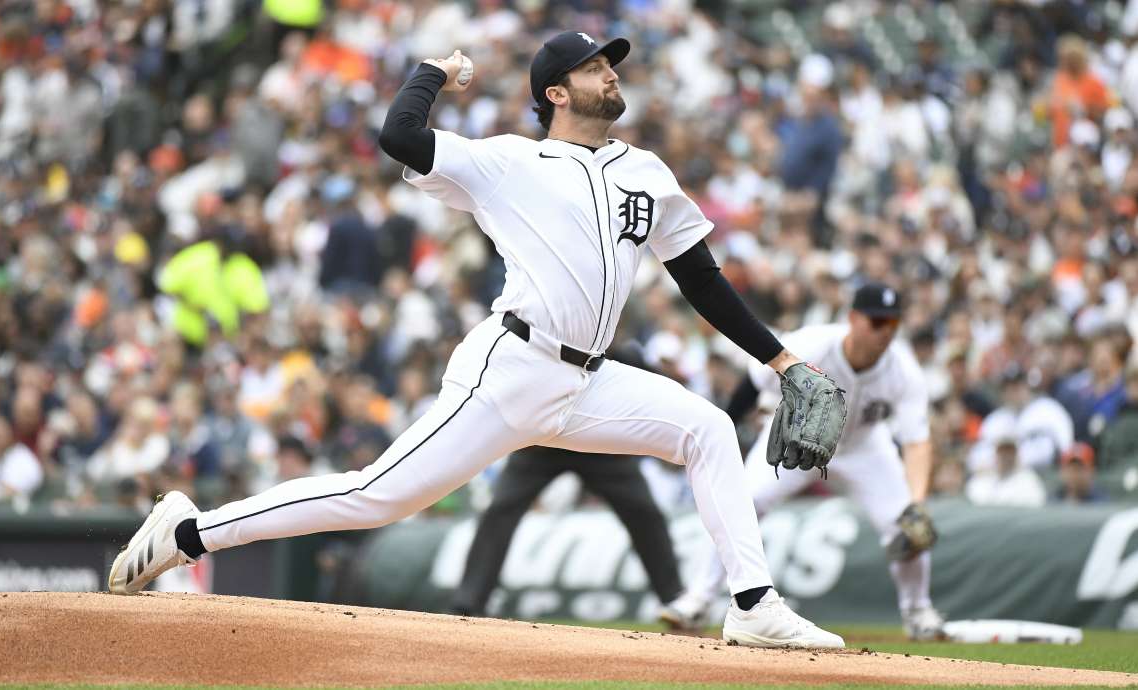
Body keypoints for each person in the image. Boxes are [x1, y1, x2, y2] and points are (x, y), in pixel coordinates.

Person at [108, 32, 847, 649]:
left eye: (609, 63)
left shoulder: (645, 173)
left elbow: (702, 278)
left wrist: (780, 360)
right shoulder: (507, 162)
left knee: (710, 429)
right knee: (376, 496)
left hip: (590, 384)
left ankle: (752, 605)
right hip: (511, 370)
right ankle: (192, 531)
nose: (610, 72)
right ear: (557, 91)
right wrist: (434, 71)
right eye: (594, 66)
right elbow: (399, 134)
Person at [659, 284, 947, 641]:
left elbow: (916, 442)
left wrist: (916, 501)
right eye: (877, 321)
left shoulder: (903, 369)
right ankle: (699, 598)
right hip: (800, 439)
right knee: (745, 502)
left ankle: (918, 611)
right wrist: (726, 430)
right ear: (854, 319)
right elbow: (753, 381)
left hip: (865, 447)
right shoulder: (813, 343)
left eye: (892, 323)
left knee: (906, 522)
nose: (885, 331)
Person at [450, 445, 687, 618]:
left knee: (644, 513)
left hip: (600, 443)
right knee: (500, 510)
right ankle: (468, 603)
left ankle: (677, 602)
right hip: (544, 442)